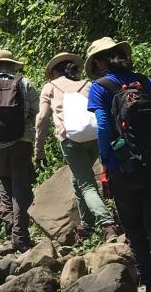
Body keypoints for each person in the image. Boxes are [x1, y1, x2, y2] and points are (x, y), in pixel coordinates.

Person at [85, 37, 151, 292]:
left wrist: (107, 158)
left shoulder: (101, 87)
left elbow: (102, 126)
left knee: (134, 229)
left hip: (122, 167)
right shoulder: (145, 81)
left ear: (99, 62)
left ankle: (148, 289)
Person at [35, 52, 120, 243]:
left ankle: (107, 225)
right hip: (94, 136)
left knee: (86, 183)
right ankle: (87, 225)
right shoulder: (88, 85)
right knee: (78, 179)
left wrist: (38, 150)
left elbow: (42, 119)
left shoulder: (50, 87)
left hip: (70, 140)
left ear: (55, 71)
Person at [0, 50, 40, 251]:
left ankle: (10, 221)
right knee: (21, 185)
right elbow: (35, 113)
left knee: (4, 179)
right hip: (22, 141)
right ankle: (20, 235)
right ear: (13, 65)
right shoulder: (25, 84)